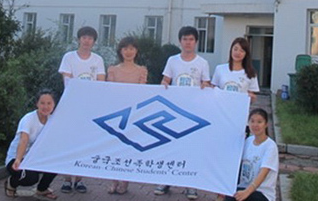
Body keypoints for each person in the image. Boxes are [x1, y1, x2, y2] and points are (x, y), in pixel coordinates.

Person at [154, 26, 211, 200]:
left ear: (196, 42)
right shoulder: (172, 60)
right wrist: (163, 85)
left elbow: (206, 83)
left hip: (193, 112)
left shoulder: (202, 63)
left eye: (191, 39)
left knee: (191, 147)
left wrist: (205, 86)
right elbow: (166, 80)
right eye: (185, 39)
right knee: (169, 146)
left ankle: (190, 185)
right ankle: (165, 180)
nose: (188, 42)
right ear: (180, 41)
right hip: (172, 111)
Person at [58, 26, 105, 194]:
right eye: (84, 37)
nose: (87, 41)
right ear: (79, 39)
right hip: (70, 105)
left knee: (83, 142)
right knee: (68, 142)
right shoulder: (69, 57)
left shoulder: (97, 60)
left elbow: (100, 82)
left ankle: (79, 179)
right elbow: (67, 79)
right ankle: (66, 179)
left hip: (89, 106)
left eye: (90, 38)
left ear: (94, 41)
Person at [106, 36, 148, 194]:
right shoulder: (112, 70)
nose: (128, 52)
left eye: (131, 48)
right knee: (113, 148)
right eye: (125, 48)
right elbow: (109, 91)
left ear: (136, 51)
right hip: (115, 113)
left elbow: (142, 92)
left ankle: (124, 181)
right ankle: (113, 181)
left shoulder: (141, 70)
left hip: (133, 114)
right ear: (120, 51)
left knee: (128, 148)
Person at [4, 89, 58, 199]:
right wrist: (18, 159)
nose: (45, 106)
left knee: (57, 164)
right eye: (42, 103)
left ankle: (42, 189)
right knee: (30, 178)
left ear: (54, 105)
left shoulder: (53, 120)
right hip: (17, 157)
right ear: (37, 104)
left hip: (35, 158)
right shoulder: (28, 119)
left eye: (49, 103)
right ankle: (11, 184)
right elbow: (23, 141)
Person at [223, 108, 279, 201]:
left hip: (262, 193)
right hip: (243, 187)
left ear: (266, 124)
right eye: (252, 121)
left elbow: (263, 173)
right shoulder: (248, 141)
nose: (255, 125)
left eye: (259, 122)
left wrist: (247, 192)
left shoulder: (270, 146)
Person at [212, 37, 259, 103]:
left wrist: (252, 98)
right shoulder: (220, 69)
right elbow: (213, 90)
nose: (237, 53)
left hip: (240, 108)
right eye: (235, 49)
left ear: (246, 54)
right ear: (231, 50)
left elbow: (251, 98)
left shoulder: (251, 73)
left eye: (242, 51)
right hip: (221, 107)